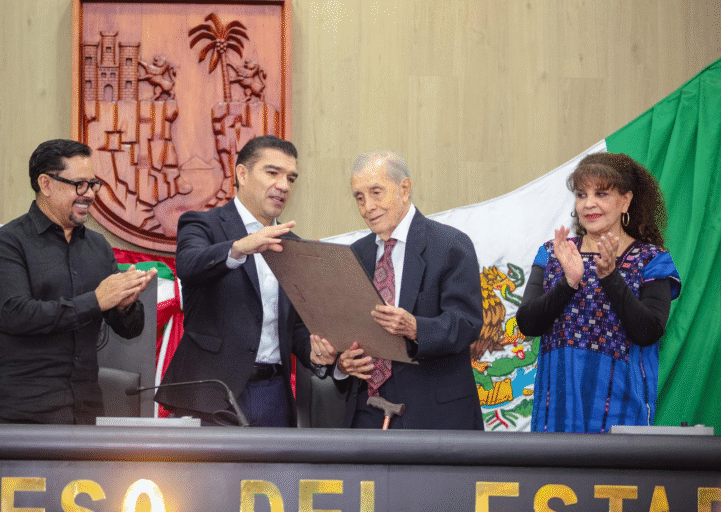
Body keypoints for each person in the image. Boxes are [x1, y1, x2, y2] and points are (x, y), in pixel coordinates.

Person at [0, 139, 157, 424]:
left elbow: (129, 330)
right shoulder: (9, 242)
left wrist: (124, 306)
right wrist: (97, 300)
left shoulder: (98, 246)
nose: (89, 194)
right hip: (21, 412)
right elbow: (17, 315)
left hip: (84, 408)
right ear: (46, 184)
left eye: (93, 184)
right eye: (80, 185)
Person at [155, 135, 325, 427]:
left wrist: (319, 354)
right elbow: (190, 265)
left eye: (290, 178)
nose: (283, 186)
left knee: (275, 475)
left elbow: (294, 327)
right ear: (242, 174)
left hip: (273, 395)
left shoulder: (292, 245)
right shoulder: (203, 224)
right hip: (210, 395)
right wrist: (241, 247)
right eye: (272, 173)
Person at [311, 151, 484, 429]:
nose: (368, 206)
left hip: (433, 418)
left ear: (404, 189)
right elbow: (346, 332)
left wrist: (416, 327)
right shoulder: (356, 255)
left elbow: (467, 323)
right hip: (366, 414)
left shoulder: (450, 245)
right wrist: (343, 365)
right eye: (359, 197)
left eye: (376, 192)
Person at [516, 152, 681, 433]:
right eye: (581, 195)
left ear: (625, 200)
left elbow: (648, 331)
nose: (588, 204)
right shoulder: (553, 253)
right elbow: (528, 324)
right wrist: (569, 282)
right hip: (556, 410)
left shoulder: (652, 260)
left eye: (601, 194)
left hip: (621, 412)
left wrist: (609, 277)